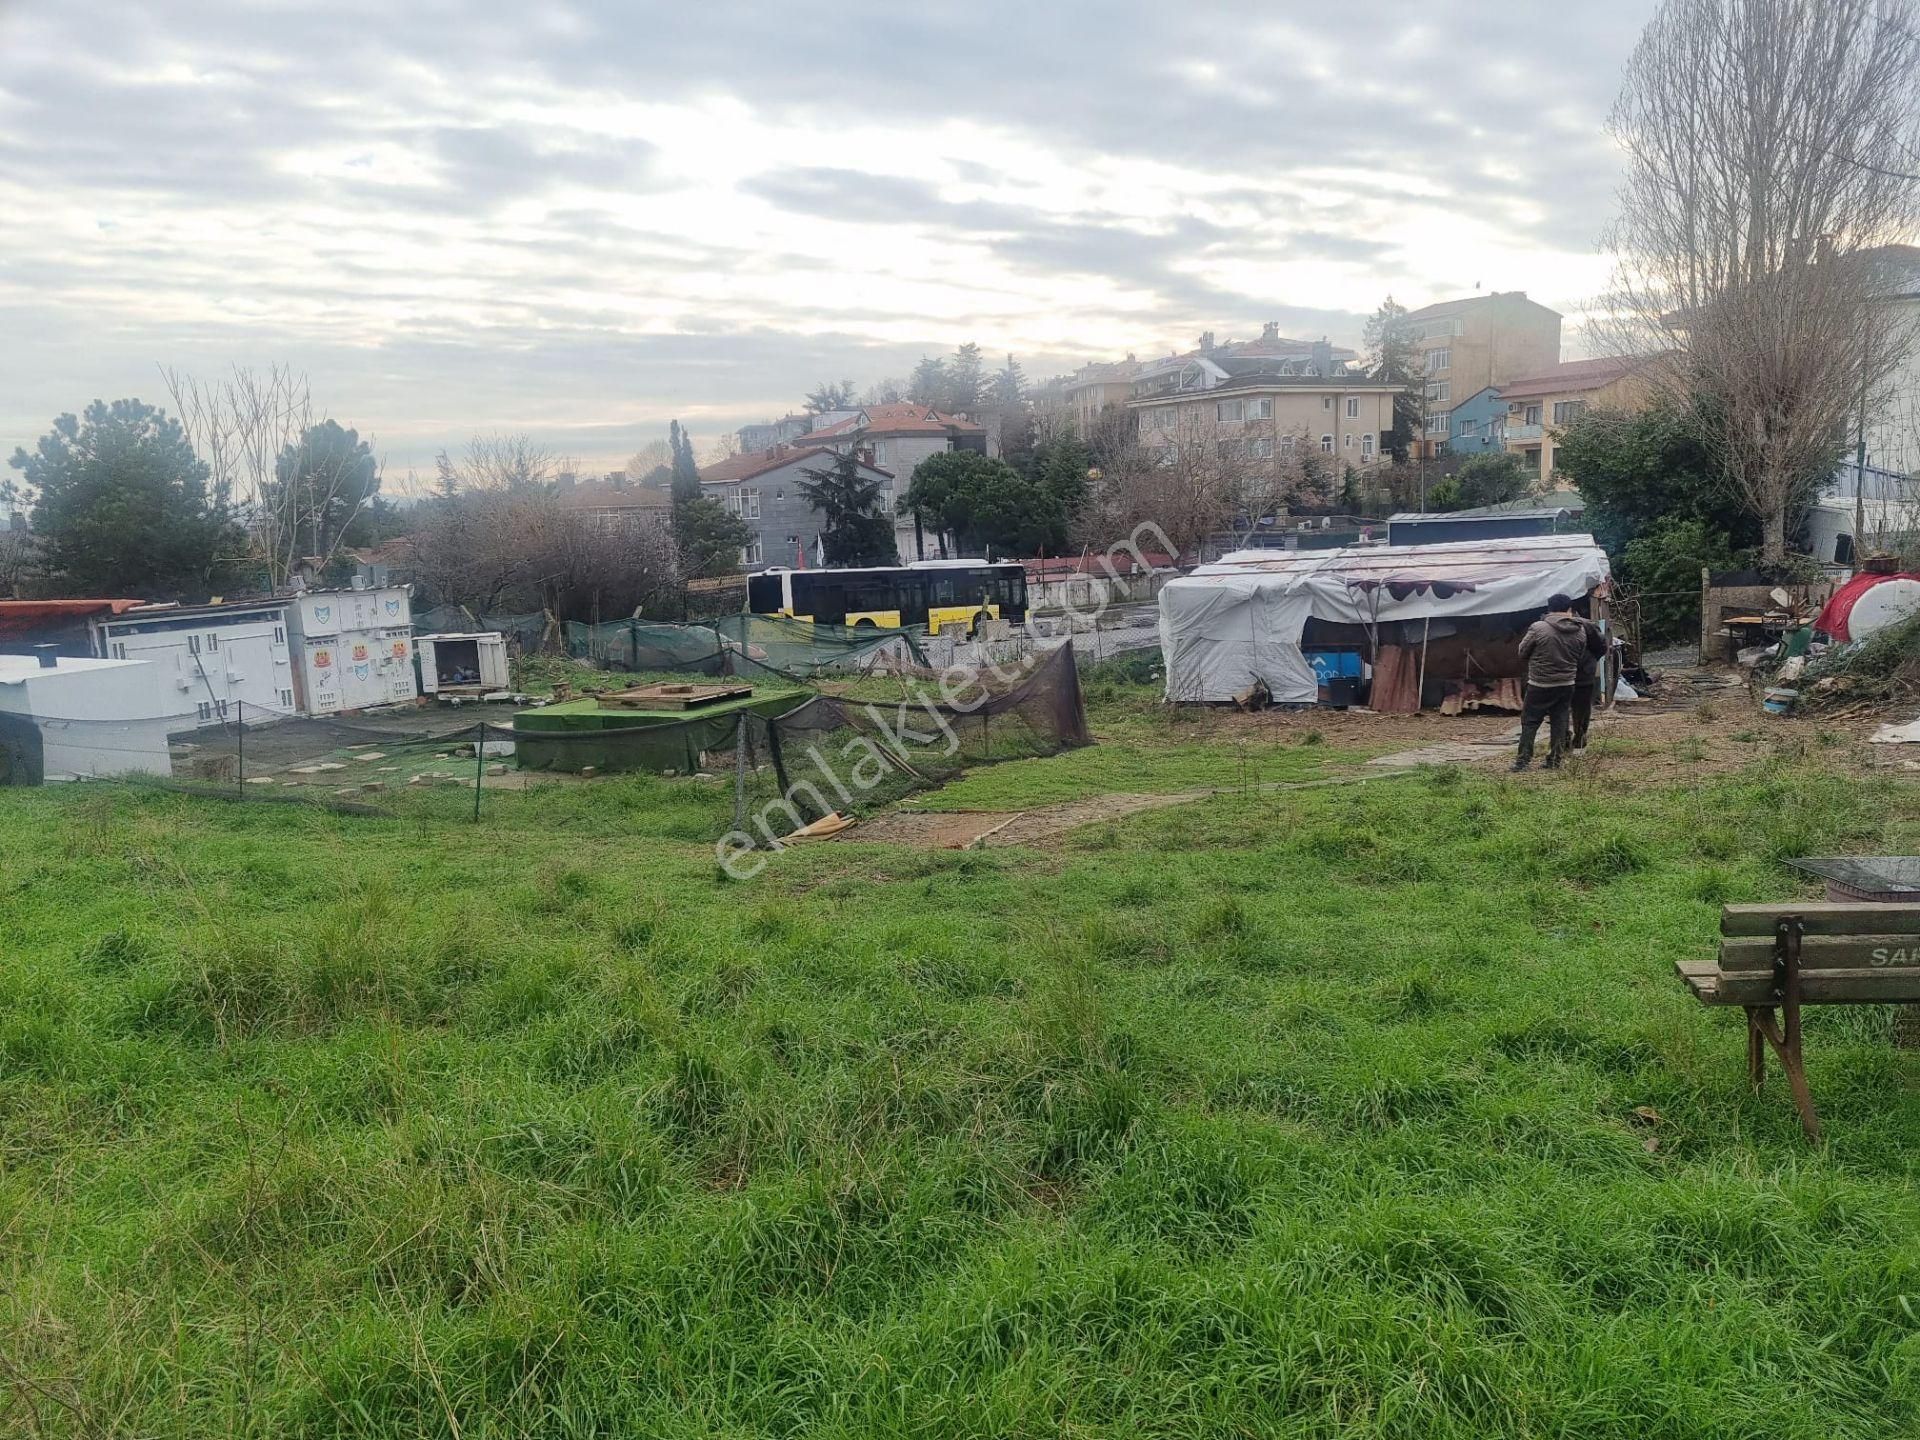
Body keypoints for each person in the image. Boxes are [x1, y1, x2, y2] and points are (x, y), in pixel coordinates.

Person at [1514, 593, 1595, 771]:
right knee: (1559, 720)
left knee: (1530, 722)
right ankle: (1554, 761)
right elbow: (1580, 656)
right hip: (1566, 684)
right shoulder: (1580, 630)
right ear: (1568, 609)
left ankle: (1523, 761)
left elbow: (1522, 652)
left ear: (1549, 608)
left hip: (1539, 684)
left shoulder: (1538, 628)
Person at [1569, 612, 1608, 750]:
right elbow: (1602, 647)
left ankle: (1574, 737)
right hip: (1583, 674)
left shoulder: (1546, 625)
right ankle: (1579, 735)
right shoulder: (1588, 625)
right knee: (1582, 708)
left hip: (1563, 675)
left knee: (1562, 708)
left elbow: (1602, 647)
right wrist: (1590, 661)